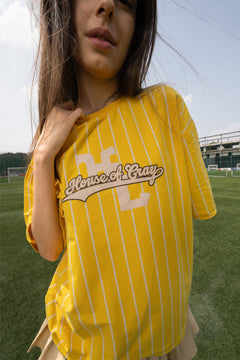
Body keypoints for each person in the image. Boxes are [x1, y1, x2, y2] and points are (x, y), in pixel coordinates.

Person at [24, 0, 217, 359]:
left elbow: (187, 213)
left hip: (162, 336)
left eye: (127, 2)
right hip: (82, 344)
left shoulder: (166, 108)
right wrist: (42, 157)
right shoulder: (53, 140)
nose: (108, 6)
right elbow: (51, 249)